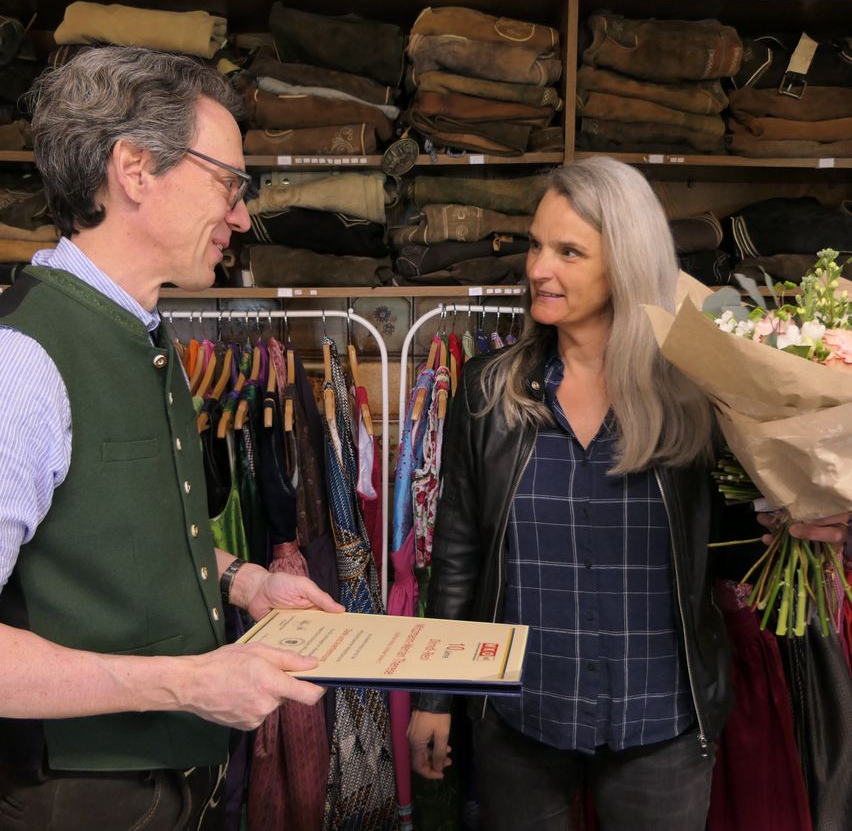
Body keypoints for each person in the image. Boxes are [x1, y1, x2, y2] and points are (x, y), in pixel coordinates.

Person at [407, 156, 851, 831]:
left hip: (661, 721)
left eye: (568, 252)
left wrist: (797, 515)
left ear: (625, 262)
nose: (536, 269)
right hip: (520, 716)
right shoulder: (489, 392)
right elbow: (459, 551)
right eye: (535, 245)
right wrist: (433, 696)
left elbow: (736, 534)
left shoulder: (700, 394)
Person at [0, 46, 344, 830]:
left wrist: (244, 582)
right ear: (135, 169)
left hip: (178, 784)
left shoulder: (145, 336)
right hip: (74, 801)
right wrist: (188, 684)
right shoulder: (22, 362)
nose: (242, 217)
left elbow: (111, 530)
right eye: (229, 184)